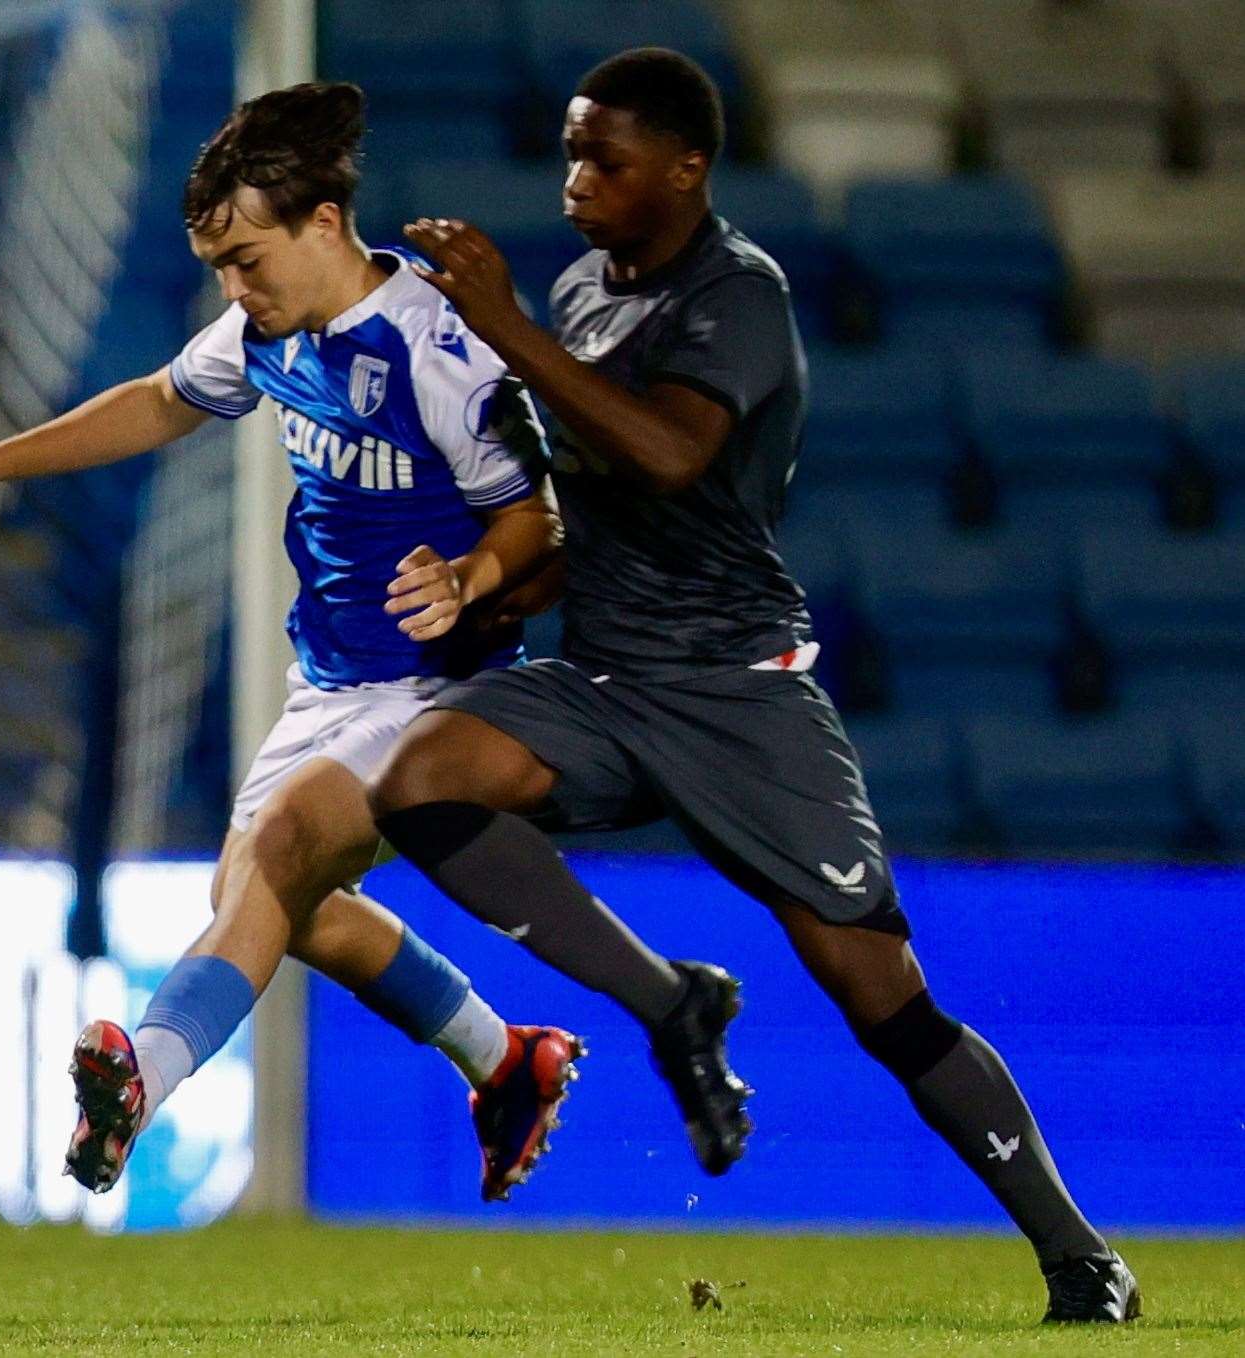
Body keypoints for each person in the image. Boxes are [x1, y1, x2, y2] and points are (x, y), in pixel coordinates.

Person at [368, 48, 1138, 1323]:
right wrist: (500, 584)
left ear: (685, 167)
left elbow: (671, 456)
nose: (576, 181)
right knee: (421, 779)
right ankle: (671, 1001)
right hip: (607, 677)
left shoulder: (739, 295)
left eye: (604, 159)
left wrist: (505, 331)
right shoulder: (579, 291)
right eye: (568, 152)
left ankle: (1076, 1252)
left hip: (736, 693)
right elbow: (597, 503)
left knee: (880, 994)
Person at [0, 82, 579, 1205]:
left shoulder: (441, 347)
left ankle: (138, 1081)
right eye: (218, 267)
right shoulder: (268, 329)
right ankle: (507, 1059)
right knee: (268, 897)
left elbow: (541, 513)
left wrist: (473, 575)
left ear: (325, 226)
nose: (234, 288)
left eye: (248, 259)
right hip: (333, 682)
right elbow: (159, 399)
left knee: (286, 845)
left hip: (451, 689)